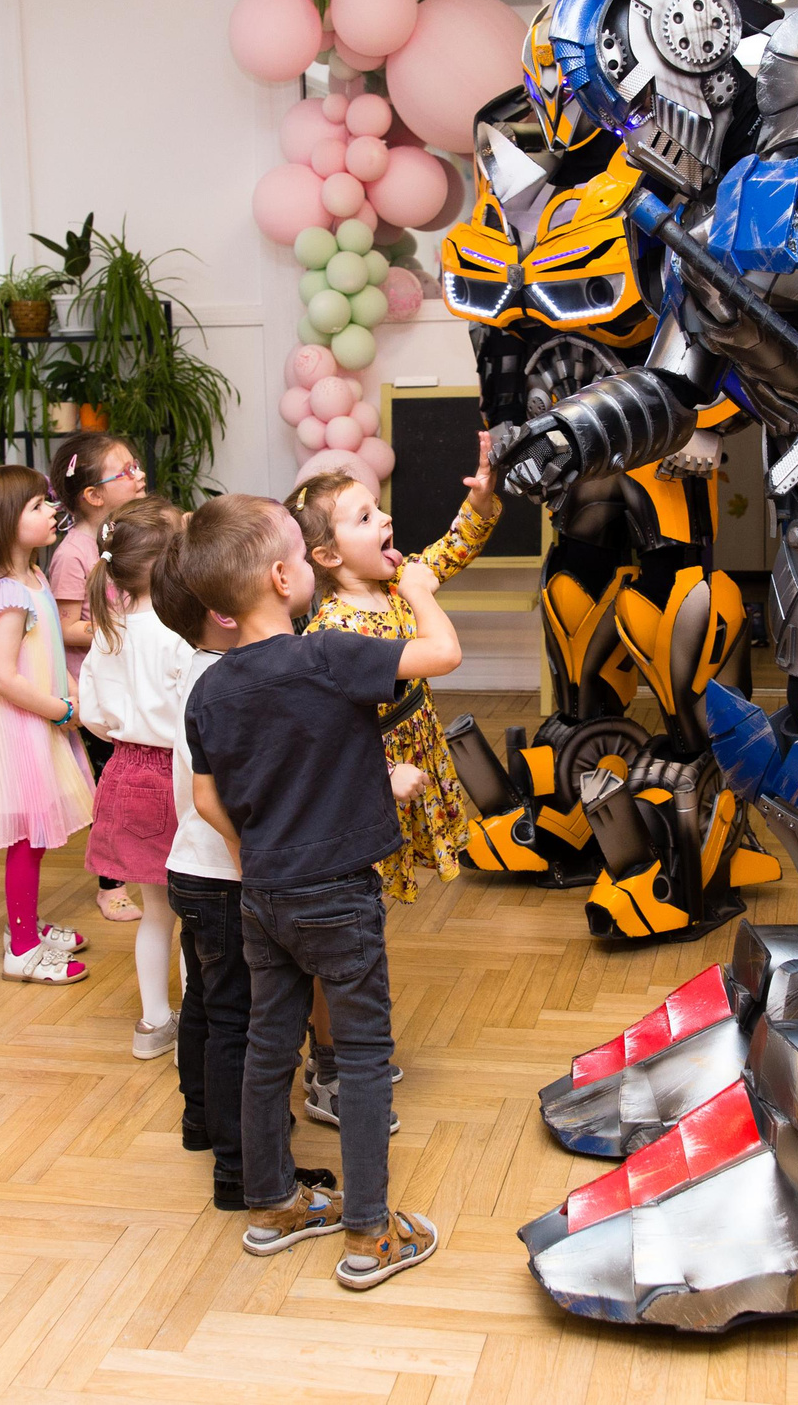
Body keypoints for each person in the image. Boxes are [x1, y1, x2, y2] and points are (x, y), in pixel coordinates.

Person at [174, 495, 458, 1290]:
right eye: (303, 550)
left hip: (262, 893)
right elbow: (442, 654)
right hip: (338, 895)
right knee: (364, 1055)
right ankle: (369, 1233)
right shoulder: (329, 653)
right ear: (280, 577)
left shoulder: (208, 692)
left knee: (271, 1046)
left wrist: (261, 851)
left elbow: (207, 799)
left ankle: (272, 1204)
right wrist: (419, 587)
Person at [286, 441, 496, 1128]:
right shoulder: (336, 626)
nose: (385, 520)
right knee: (346, 929)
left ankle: (350, 1041)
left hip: (404, 773)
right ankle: (332, 1060)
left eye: (378, 508)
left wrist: (484, 495)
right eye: (363, 515)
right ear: (325, 557)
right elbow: (326, 733)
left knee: (364, 922)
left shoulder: (392, 582)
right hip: (365, 784)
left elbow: (453, 549)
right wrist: (379, 775)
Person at [150, 545, 338, 1211]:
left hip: (188, 869)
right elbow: (221, 797)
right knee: (243, 1021)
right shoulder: (229, 686)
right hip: (224, 873)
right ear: (225, 612)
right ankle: (243, 1169)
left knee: (207, 1003)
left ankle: (203, 1122)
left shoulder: (198, 668)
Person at [0, 465, 98, 984]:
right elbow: (3, 677)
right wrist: (63, 710)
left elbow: (47, 656)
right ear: (1, 524)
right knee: (27, 836)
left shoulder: (32, 579)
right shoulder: (6, 595)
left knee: (35, 834)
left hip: (40, 720)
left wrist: (71, 693)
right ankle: (22, 948)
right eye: (36, 507)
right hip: (20, 730)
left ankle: (26, 925)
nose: (52, 511)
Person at [82, 498, 191, 1059]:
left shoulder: (108, 630)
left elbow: (91, 715)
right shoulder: (180, 634)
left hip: (125, 772)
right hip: (179, 776)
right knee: (197, 911)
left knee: (155, 912)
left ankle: (153, 1024)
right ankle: (197, 1028)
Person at [49, 428, 147, 925]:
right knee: (113, 789)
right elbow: (64, 627)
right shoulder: (74, 553)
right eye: (126, 471)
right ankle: (112, 885)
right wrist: (124, 631)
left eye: (137, 466)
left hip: (127, 680)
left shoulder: (120, 539)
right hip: (96, 691)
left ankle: (139, 865)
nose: (140, 475)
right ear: (93, 495)